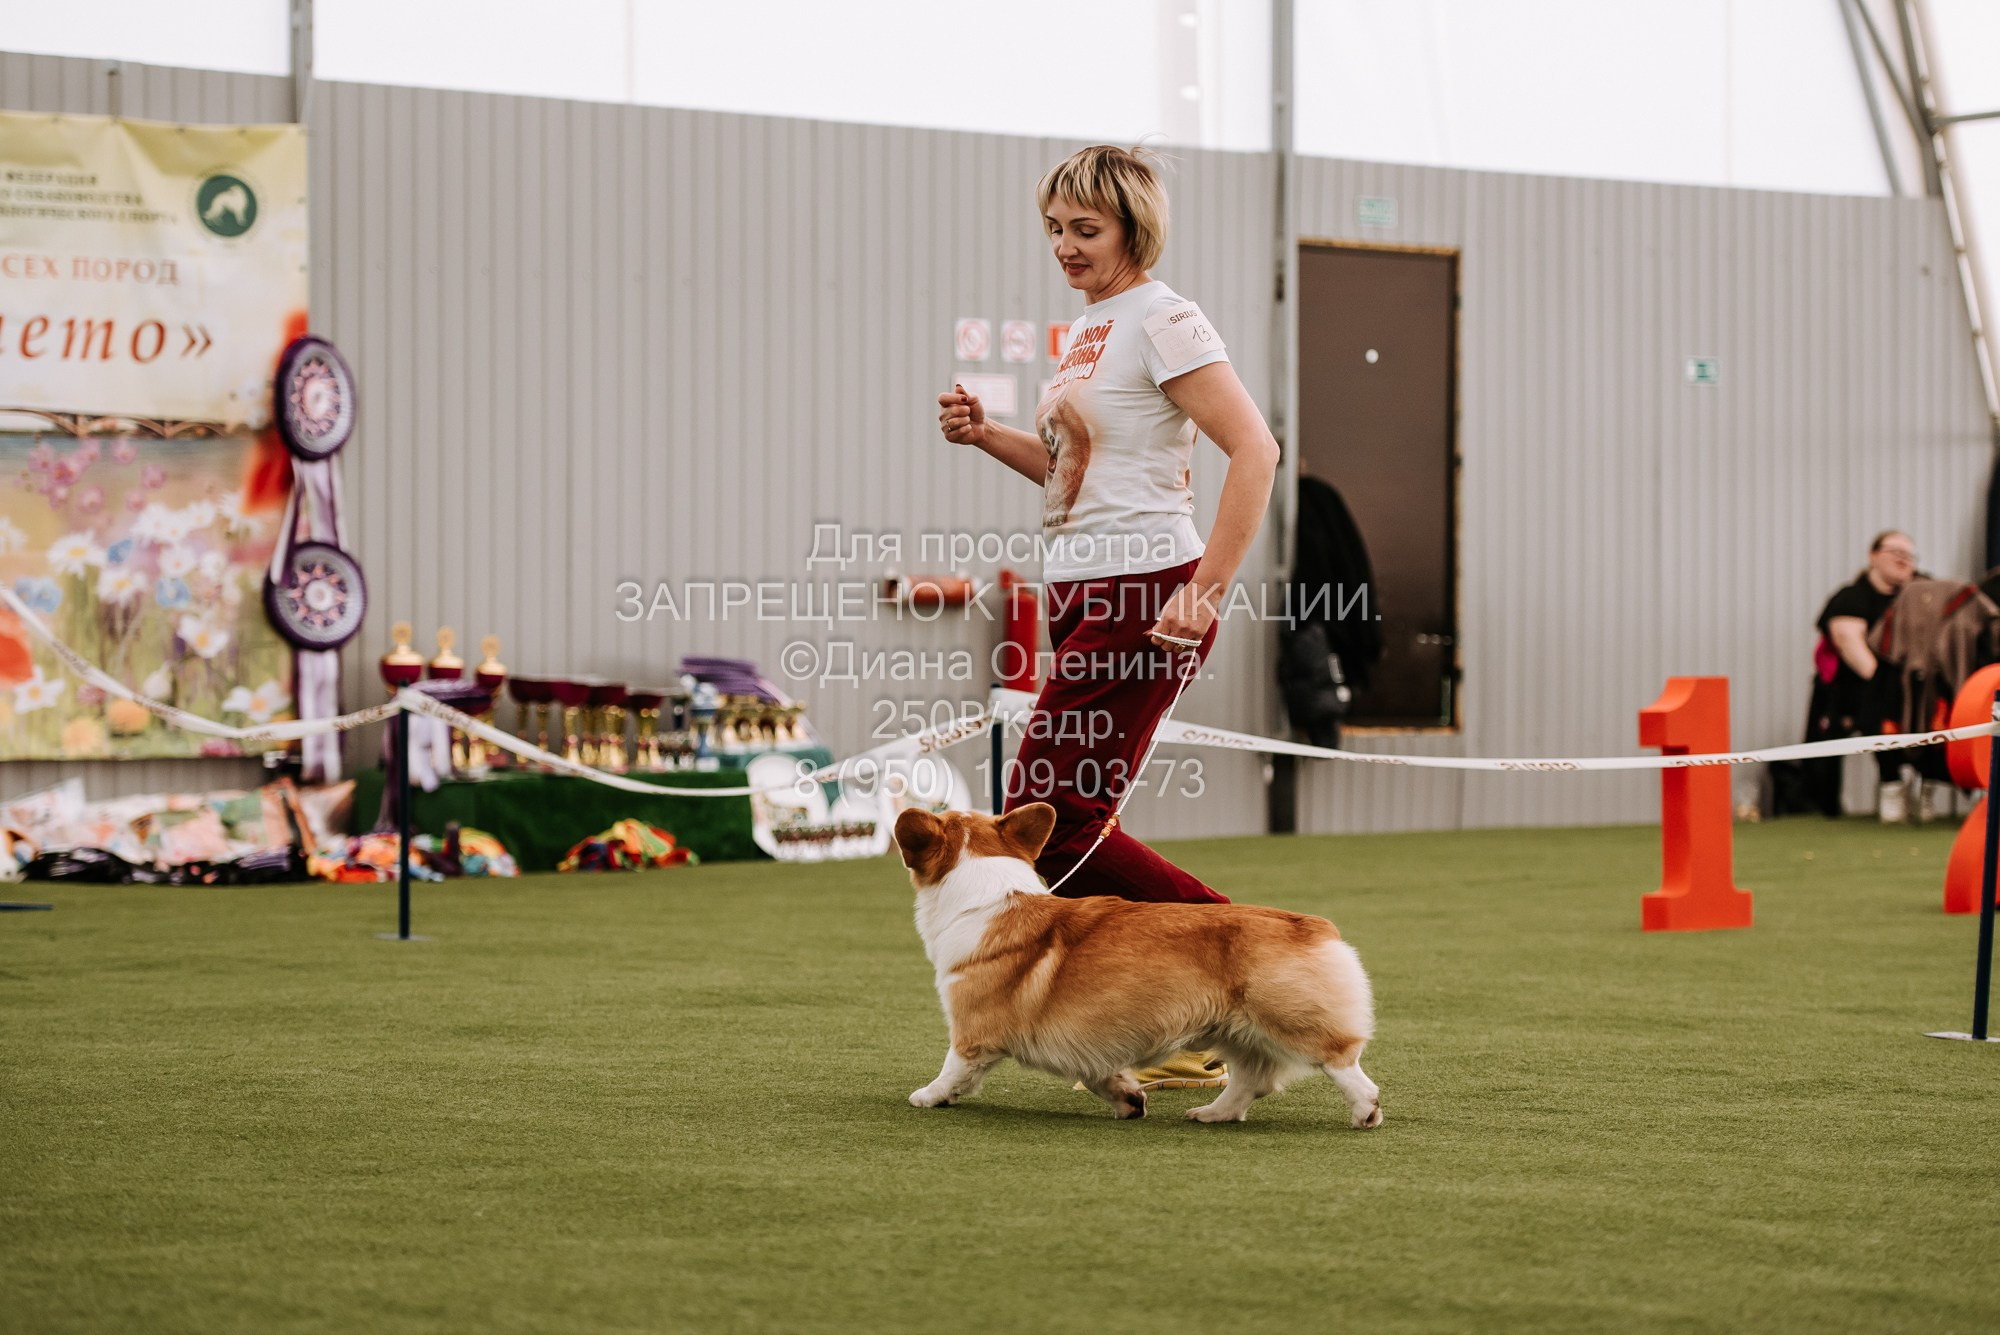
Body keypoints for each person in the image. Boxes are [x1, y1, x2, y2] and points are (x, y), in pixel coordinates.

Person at [936, 144, 1280, 1090]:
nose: (1064, 245)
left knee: (1055, 818)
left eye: (1085, 229)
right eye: (1054, 228)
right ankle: (1195, 1001)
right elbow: (1072, 476)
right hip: (1084, 590)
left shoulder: (1165, 316)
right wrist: (987, 436)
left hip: (1147, 590)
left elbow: (1256, 449)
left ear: (1136, 228)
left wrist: (1204, 585)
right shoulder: (1091, 330)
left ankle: (1250, 969)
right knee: (1062, 816)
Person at [1805, 530, 1918, 820]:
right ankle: (1890, 784)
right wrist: (1888, 685)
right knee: (1880, 707)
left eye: (1907, 555)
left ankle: (1921, 787)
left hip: (1912, 685)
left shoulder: (1921, 592)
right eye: (1894, 552)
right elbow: (1848, 643)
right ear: (1873, 555)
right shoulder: (1852, 597)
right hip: (1853, 688)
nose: (1901, 559)